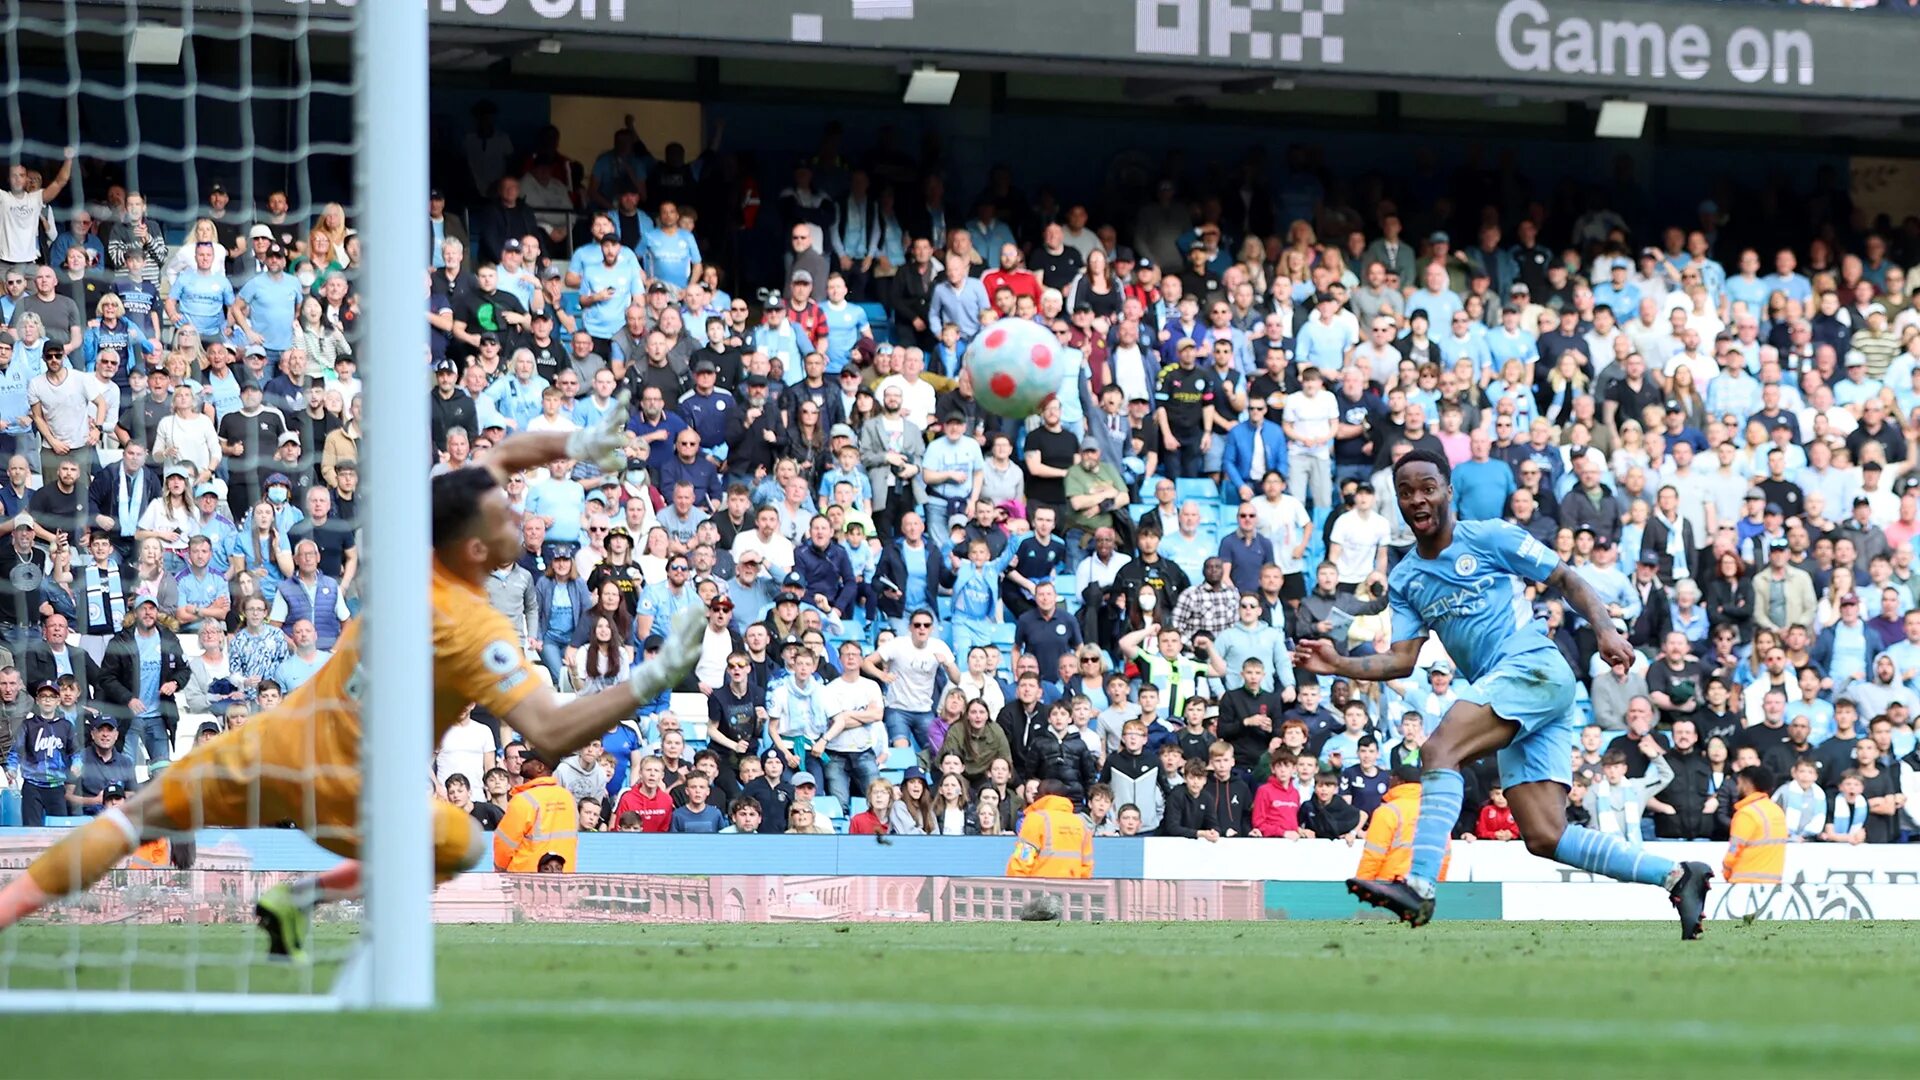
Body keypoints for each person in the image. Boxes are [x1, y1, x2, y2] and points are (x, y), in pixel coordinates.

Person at [0, 404, 713, 961]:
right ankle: (303, 894)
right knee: (462, 845)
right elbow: (553, 730)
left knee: (132, 820)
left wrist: (577, 444)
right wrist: (654, 674)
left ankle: (17, 912)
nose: (518, 516)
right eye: (506, 516)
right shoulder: (477, 626)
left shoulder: (418, 552)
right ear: (475, 546)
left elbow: (501, 458)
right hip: (351, 793)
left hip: (274, 744)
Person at [1295, 448, 1711, 936]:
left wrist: (1603, 630)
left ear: (1449, 492)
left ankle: (1421, 887)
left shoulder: (1490, 535)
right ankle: (1678, 876)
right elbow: (1403, 659)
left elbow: (1564, 577)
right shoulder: (1406, 577)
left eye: (1427, 487)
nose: (1417, 499)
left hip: (1532, 667)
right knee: (1545, 835)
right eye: (1405, 492)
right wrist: (1340, 663)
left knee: (1438, 748)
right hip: (1512, 691)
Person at [1354, 764, 1449, 880]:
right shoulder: (1437, 813)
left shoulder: (1387, 812)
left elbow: (1373, 855)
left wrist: (1362, 885)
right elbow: (1445, 854)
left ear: (1398, 781)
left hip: (1390, 886)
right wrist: (1438, 883)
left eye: (1391, 777)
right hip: (1425, 885)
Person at [491, 747, 578, 873]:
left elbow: (504, 844)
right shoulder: (568, 797)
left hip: (527, 880)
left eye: (528, 760)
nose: (521, 762)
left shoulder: (523, 800)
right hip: (564, 878)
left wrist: (500, 870)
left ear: (540, 767)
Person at [1004, 778, 1093, 878]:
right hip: (1072, 890)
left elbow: (1022, 860)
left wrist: (1015, 885)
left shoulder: (1036, 819)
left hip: (1040, 890)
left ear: (1040, 795)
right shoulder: (1081, 823)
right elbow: (1086, 866)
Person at [1722, 764, 1787, 884]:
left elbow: (1734, 850)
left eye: (1740, 782)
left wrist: (1726, 872)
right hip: (1773, 881)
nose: (1738, 786)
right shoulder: (1777, 810)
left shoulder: (1746, 813)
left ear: (1747, 784)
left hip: (1745, 881)